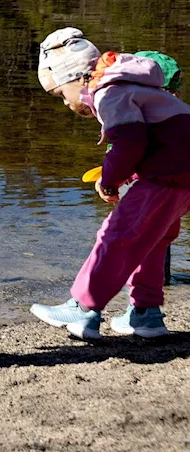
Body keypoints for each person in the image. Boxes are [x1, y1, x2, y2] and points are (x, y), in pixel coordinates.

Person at [31, 29, 191, 340]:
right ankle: (146, 314)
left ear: (79, 79)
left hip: (166, 177)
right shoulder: (136, 88)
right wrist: (128, 175)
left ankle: (82, 307)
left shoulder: (108, 92)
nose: (65, 103)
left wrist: (110, 178)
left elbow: (129, 143)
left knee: (115, 236)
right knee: (152, 240)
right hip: (182, 177)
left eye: (62, 95)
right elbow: (160, 140)